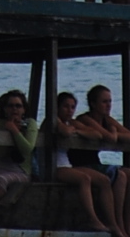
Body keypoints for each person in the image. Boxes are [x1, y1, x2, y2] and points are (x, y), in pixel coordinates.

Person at [51, 89, 123, 236]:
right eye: (65, 106)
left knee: (103, 180)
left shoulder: (71, 122)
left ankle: (112, 223)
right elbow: (65, 132)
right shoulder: (53, 120)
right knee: (85, 179)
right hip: (54, 166)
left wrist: (78, 131)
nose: (70, 110)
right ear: (57, 107)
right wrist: (72, 128)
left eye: (72, 107)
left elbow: (96, 134)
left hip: (67, 165)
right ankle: (92, 219)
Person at [72, 84, 130, 234]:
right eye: (104, 102)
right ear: (93, 104)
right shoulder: (85, 119)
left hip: (95, 163)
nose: (108, 105)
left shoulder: (106, 120)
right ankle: (117, 224)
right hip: (81, 164)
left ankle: (127, 226)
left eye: (110, 101)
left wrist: (114, 132)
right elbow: (110, 138)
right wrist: (113, 132)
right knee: (120, 176)